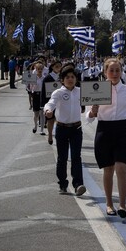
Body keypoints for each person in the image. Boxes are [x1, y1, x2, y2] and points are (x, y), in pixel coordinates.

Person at [87, 58, 126, 218]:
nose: (114, 74)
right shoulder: (97, 89)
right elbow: (89, 117)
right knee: (108, 169)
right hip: (104, 130)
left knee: (121, 168)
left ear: (121, 71)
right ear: (105, 72)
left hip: (122, 131)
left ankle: (122, 205)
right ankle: (109, 204)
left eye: (117, 70)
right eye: (111, 70)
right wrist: (93, 111)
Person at [44, 64, 86, 196]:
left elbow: (91, 103)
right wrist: (48, 110)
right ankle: (62, 182)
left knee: (76, 157)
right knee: (62, 158)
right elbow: (50, 103)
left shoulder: (81, 91)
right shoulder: (58, 92)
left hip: (76, 128)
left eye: (72, 77)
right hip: (62, 128)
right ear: (62, 79)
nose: (70, 79)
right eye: (67, 77)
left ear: (76, 79)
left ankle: (78, 184)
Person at [41, 60, 62, 145]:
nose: (58, 68)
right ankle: (50, 135)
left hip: (60, 102)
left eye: (60, 66)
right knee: (50, 120)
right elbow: (43, 92)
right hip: (50, 101)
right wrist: (43, 105)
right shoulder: (47, 78)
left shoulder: (62, 78)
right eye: (56, 66)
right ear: (52, 67)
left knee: (59, 121)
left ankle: (58, 136)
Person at [30, 62, 47, 135]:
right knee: (36, 114)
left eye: (41, 69)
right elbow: (30, 88)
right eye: (38, 69)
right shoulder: (33, 77)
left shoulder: (44, 78)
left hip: (42, 95)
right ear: (35, 69)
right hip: (35, 95)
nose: (40, 70)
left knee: (42, 113)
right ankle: (35, 126)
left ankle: (42, 130)